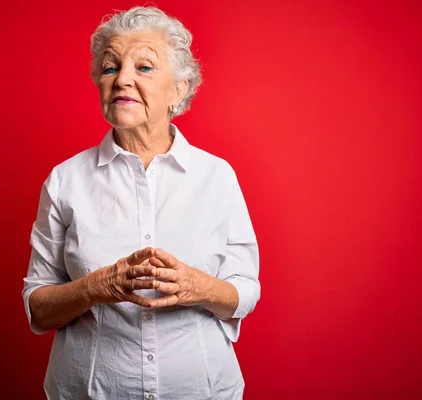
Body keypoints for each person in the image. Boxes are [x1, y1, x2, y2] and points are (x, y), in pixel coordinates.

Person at [22, 6, 260, 399]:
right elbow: (38, 306)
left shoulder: (217, 177)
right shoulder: (65, 180)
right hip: (88, 391)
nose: (122, 80)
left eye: (144, 67)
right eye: (111, 68)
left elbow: (246, 290)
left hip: (202, 390)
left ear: (179, 90)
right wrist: (97, 287)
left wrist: (198, 287)